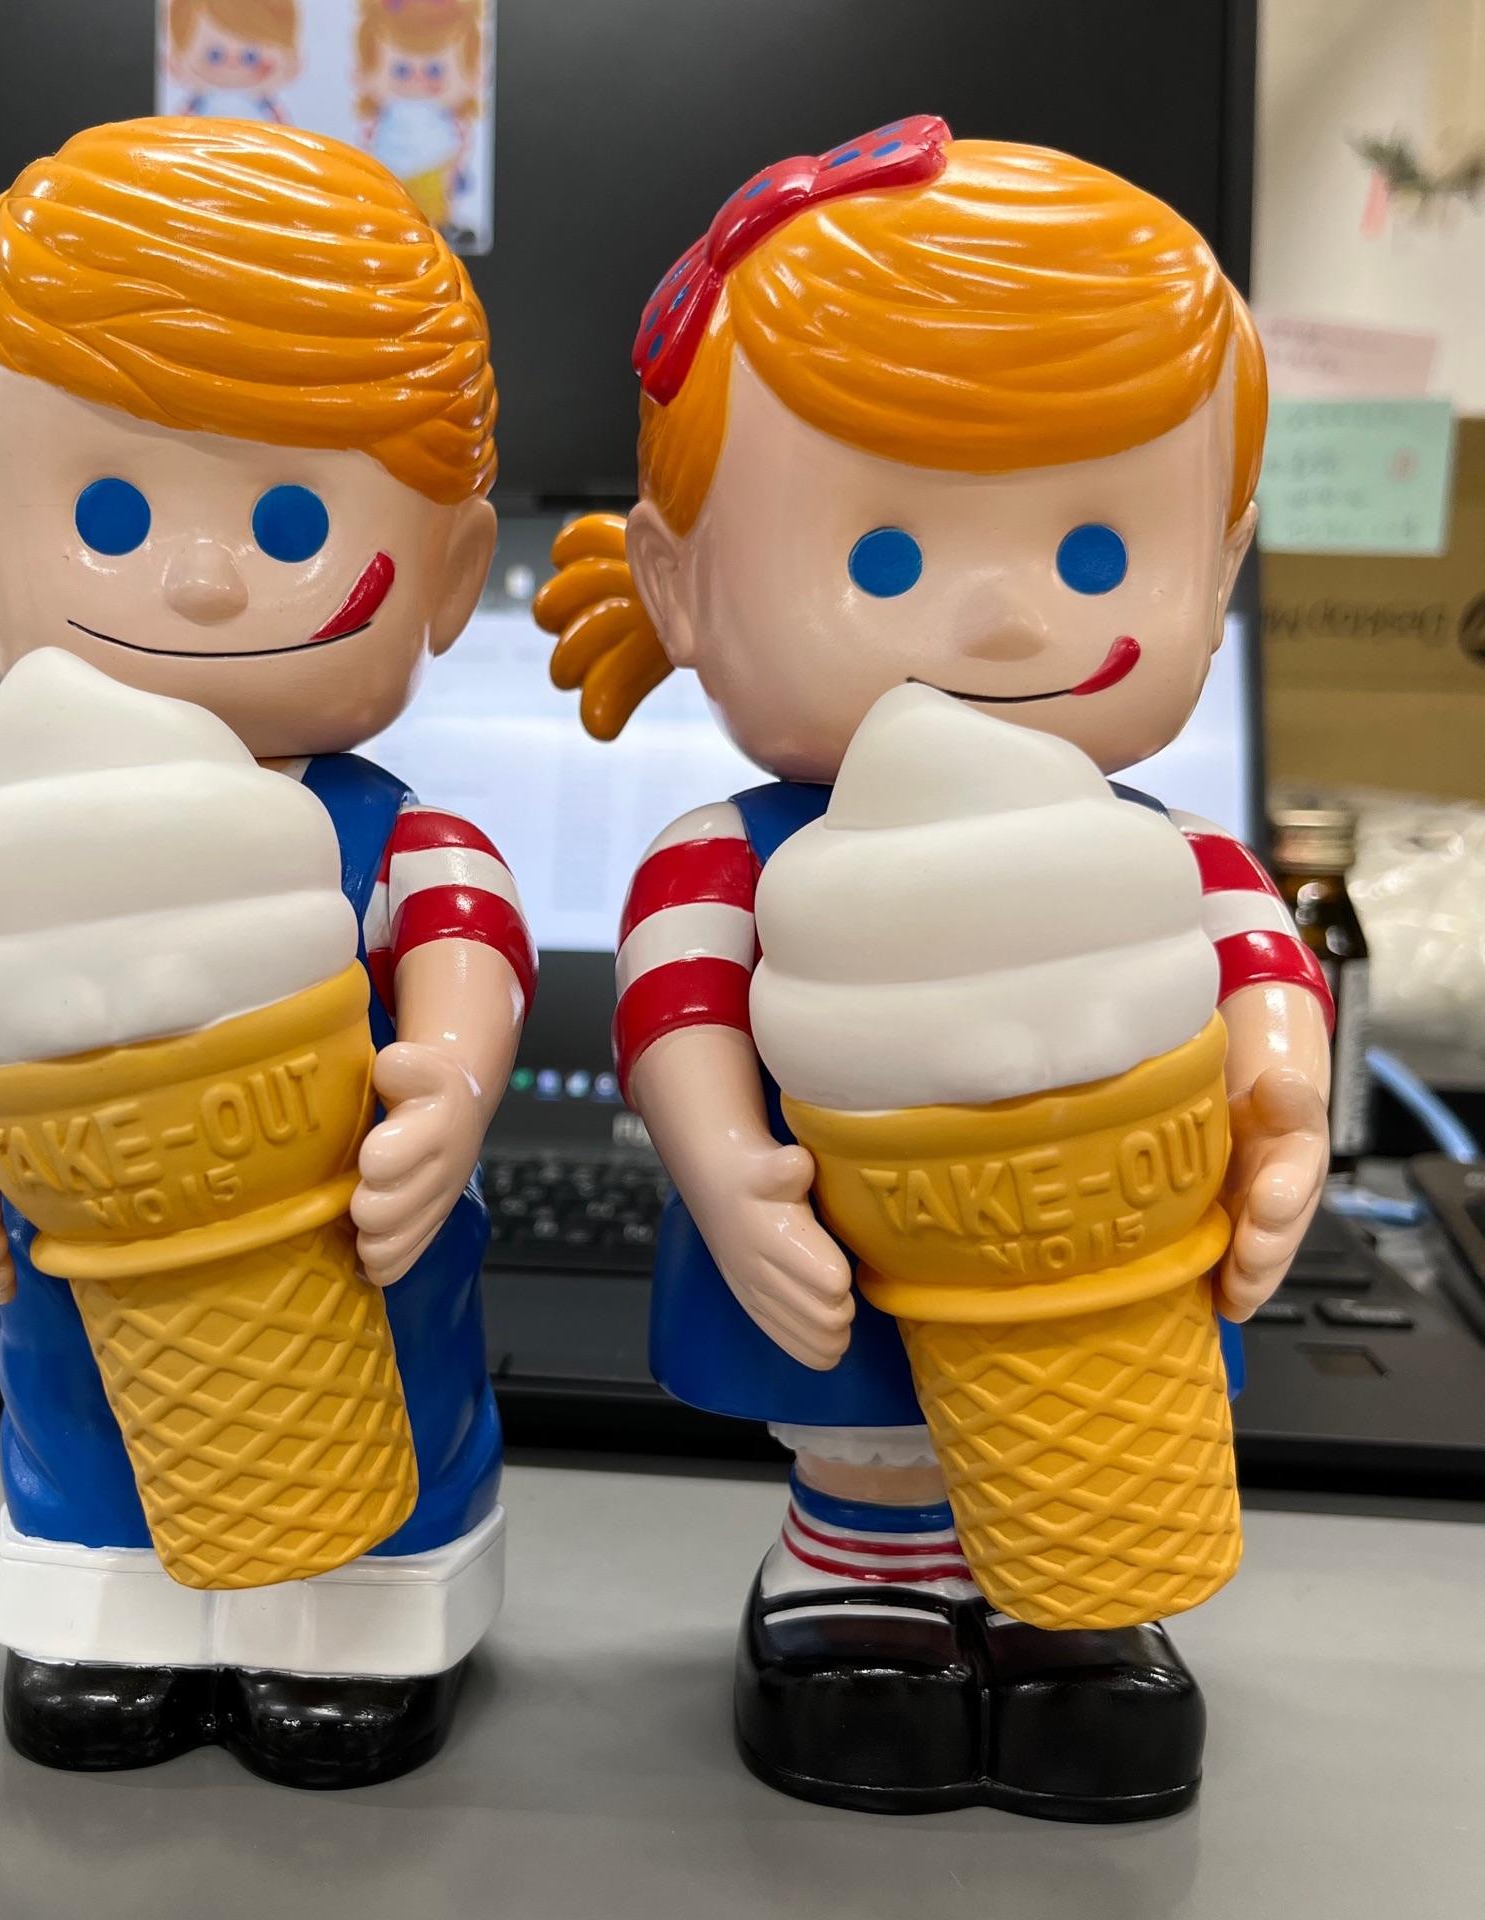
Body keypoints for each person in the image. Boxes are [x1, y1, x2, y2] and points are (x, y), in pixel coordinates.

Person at [536, 115, 1333, 1821]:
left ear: (1223, 567)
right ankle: (856, 1587)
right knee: (869, 1431)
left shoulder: (1160, 845)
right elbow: (675, 1008)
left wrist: (1284, 1102)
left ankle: (1071, 1605)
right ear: (679, 585)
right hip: (835, 1233)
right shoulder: (736, 849)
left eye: (1098, 554)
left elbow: (1263, 968)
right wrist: (726, 1170)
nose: (1002, 624)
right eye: (884, 559)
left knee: (1083, 1449)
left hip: (1112, 1252)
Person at [0, 117, 530, 1786]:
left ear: (452, 572)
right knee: (82, 1415)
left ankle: (358, 1631)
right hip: (82, 1251)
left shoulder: (390, 832)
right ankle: (111, 1620)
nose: (196, 578)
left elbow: (466, 943)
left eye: (294, 521)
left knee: (383, 1414)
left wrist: (448, 1088)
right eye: (108, 510)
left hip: (354, 1238)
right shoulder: (7, 840)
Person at [355, 0, 483, 231]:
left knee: (432, 216)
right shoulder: (383, 118)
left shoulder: (448, 122)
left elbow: (461, 148)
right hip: (390, 178)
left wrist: (455, 171)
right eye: (401, 70)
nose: (417, 79)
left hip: (436, 174)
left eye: (434, 70)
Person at [162, 0, 299, 122]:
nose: (232, 65)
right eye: (215, 55)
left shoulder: (264, 103)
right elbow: (180, 124)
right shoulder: (199, 102)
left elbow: (282, 127)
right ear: (176, 62)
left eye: (250, 57)